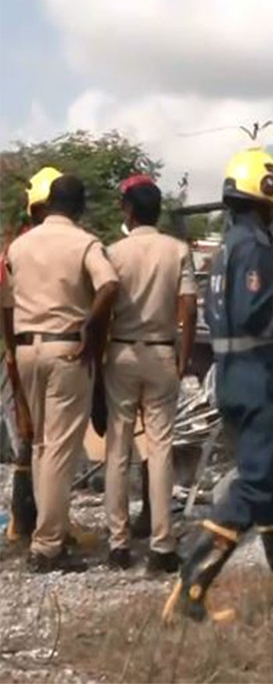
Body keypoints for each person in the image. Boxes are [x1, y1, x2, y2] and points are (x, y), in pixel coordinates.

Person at [164, 148, 273, 622]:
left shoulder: (227, 246)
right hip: (255, 377)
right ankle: (194, 580)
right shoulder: (254, 246)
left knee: (267, 483)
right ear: (264, 195)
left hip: (229, 374)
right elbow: (254, 312)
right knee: (255, 481)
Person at [1, 174, 118, 572]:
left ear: (48, 203)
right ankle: (48, 546)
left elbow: (7, 302)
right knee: (60, 450)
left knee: (40, 446)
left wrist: (13, 350)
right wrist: (90, 325)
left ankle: (50, 529)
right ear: (80, 207)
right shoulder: (84, 242)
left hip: (26, 348)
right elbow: (110, 284)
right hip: (67, 349)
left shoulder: (19, 246)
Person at [103, 175, 197, 574]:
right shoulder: (177, 250)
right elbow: (189, 307)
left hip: (121, 350)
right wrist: (184, 356)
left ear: (129, 210)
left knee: (118, 449)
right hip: (162, 352)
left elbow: (102, 305)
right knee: (160, 450)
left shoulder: (113, 253)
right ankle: (162, 544)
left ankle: (118, 543)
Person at [1, 165, 62, 543]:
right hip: (14, 356)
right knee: (31, 437)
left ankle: (33, 521)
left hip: (20, 353)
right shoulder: (21, 252)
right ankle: (29, 523)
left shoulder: (21, 248)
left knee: (36, 437)